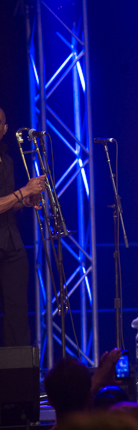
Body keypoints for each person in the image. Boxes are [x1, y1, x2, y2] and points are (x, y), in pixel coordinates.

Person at [0, 107, 46, 346]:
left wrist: (27, 200)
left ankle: (19, 366)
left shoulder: (7, 160)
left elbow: (8, 203)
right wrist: (24, 191)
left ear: (5, 129)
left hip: (11, 243)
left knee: (17, 313)